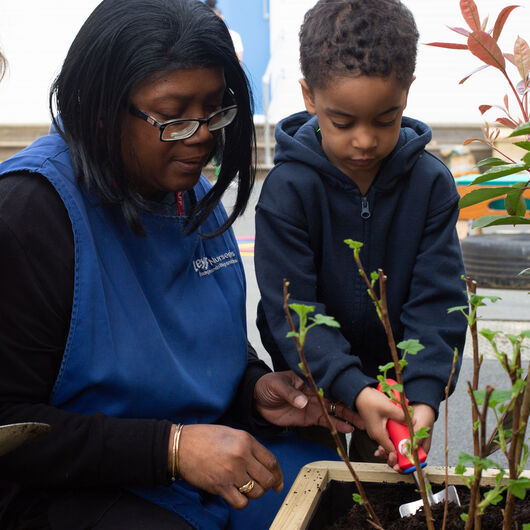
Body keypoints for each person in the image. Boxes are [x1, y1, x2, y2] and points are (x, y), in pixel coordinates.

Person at [0, 1, 360, 528]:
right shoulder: (31, 214)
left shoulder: (189, 192)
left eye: (215, 109)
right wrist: (170, 449)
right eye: (173, 117)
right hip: (76, 485)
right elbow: (10, 427)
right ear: (100, 108)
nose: (202, 135)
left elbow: (197, 343)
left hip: (196, 456)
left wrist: (253, 391)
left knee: (338, 490)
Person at [254, 0, 468, 472]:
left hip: (398, 383)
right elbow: (293, 309)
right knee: (319, 476)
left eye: (385, 120)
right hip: (312, 381)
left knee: (387, 484)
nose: (366, 140)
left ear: (406, 94)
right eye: (343, 122)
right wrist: (349, 385)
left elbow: (439, 301)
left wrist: (423, 395)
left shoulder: (430, 185)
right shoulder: (288, 190)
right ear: (309, 96)